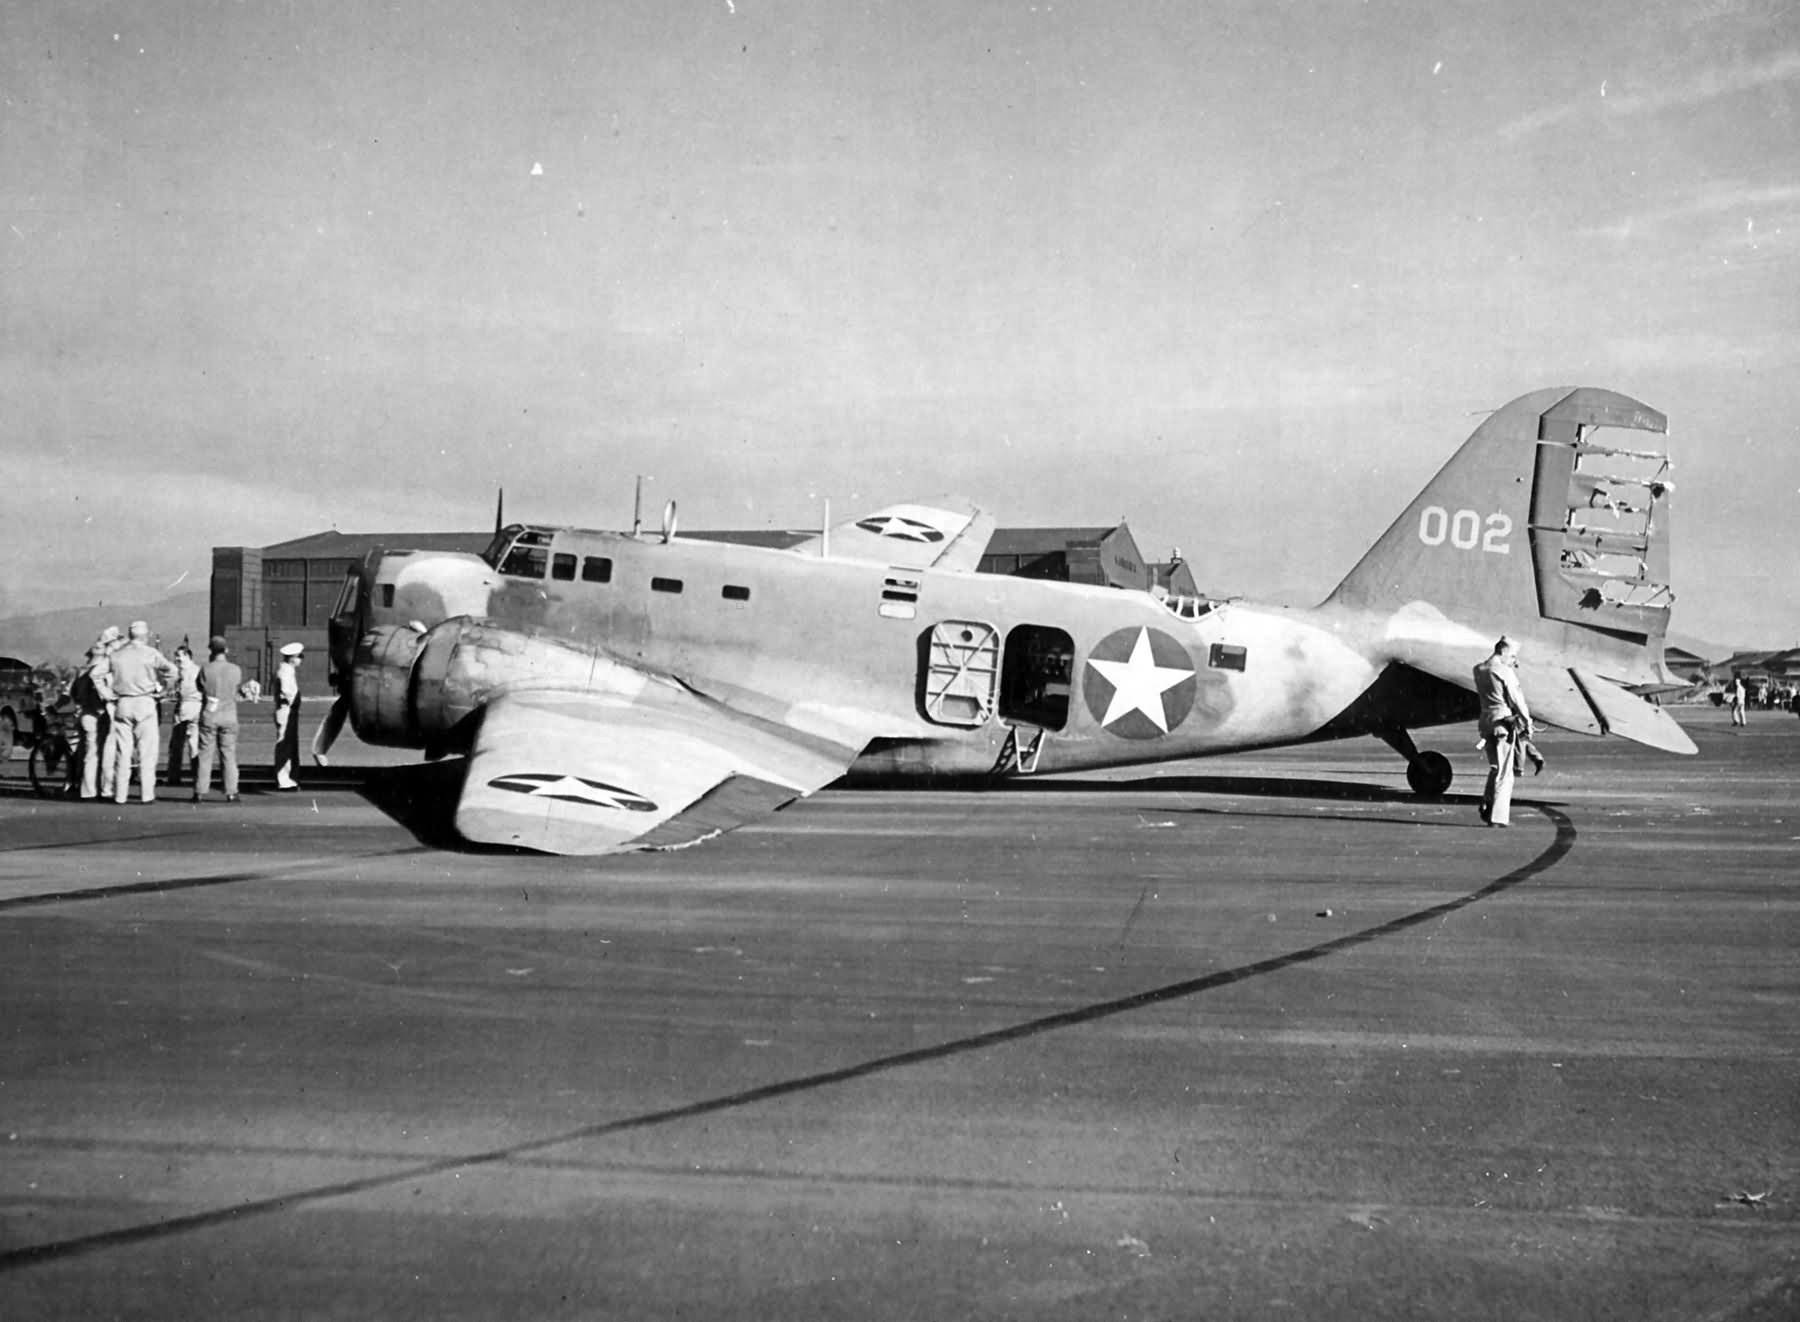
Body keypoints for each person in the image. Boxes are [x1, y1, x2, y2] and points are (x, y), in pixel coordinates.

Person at [108, 620, 176, 804]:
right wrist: (164, 690)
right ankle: (147, 794)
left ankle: (120, 795)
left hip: (123, 702)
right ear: (145, 636)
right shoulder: (151, 653)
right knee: (147, 752)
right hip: (145, 702)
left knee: (123, 752)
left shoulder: (116, 655)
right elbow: (172, 670)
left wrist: (107, 692)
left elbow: (96, 674)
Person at [1472, 635, 1532, 828]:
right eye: (1512, 656)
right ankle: (1497, 817)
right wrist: (1527, 722)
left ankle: (1486, 805)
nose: (1513, 660)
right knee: (1505, 773)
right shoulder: (1503, 671)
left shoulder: (1479, 669)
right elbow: (1517, 699)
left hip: (1485, 721)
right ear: (1503, 651)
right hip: (1502, 722)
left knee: (1495, 767)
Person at [193, 636, 243, 802]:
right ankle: (231, 791)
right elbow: (237, 688)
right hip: (229, 715)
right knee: (228, 754)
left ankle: (200, 791)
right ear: (226, 650)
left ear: (211, 650)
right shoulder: (235, 669)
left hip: (210, 715)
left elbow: (199, 687)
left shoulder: (205, 669)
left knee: (205, 754)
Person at [71, 636, 116, 800]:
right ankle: (106, 789)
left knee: (90, 755)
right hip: (101, 713)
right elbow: (102, 694)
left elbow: (74, 694)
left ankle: (88, 791)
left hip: (85, 714)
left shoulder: (82, 672)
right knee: (107, 754)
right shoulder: (102, 672)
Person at [165, 643, 202, 787]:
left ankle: (174, 777)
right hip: (194, 708)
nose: (177, 660)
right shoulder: (197, 670)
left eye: (179, 657)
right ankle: (197, 776)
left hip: (187, 708)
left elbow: (184, 691)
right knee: (193, 745)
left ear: (187, 656)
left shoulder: (188, 672)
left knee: (177, 745)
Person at [272, 641, 305, 790]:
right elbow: (286, 691)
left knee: (289, 745)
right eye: (300, 656)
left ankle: (290, 778)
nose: (301, 659)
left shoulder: (287, 669)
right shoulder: (285, 671)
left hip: (289, 711)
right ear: (292, 657)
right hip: (286, 711)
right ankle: (284, 780)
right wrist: (294, 700)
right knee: (284, 746)